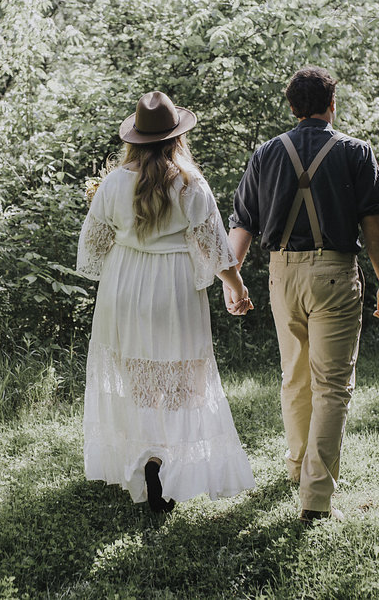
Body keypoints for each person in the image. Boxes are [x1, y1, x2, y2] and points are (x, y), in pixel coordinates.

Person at [225, 67, 379, 525]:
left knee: (295, 377)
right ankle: (316, 500)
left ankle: (298, 467)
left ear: (292, 107)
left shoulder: (265, 154)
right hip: (336, 274)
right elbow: (374, 223)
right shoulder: (356, 152)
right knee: (332, 387)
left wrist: (232, 280)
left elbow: (242, 221)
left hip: (283, 275)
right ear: (331, 104)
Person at [76, 91, 256, 513]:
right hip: (173, 287)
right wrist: (237, 286)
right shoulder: (190, 182)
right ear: (176, 137)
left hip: (125, 284)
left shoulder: (115, 182)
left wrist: (128, 240)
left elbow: (94, 244)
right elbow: (213, 246)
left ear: (134, 139)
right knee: (180, 381)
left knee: (139, 378)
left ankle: (148, 459)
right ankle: (169, 467)